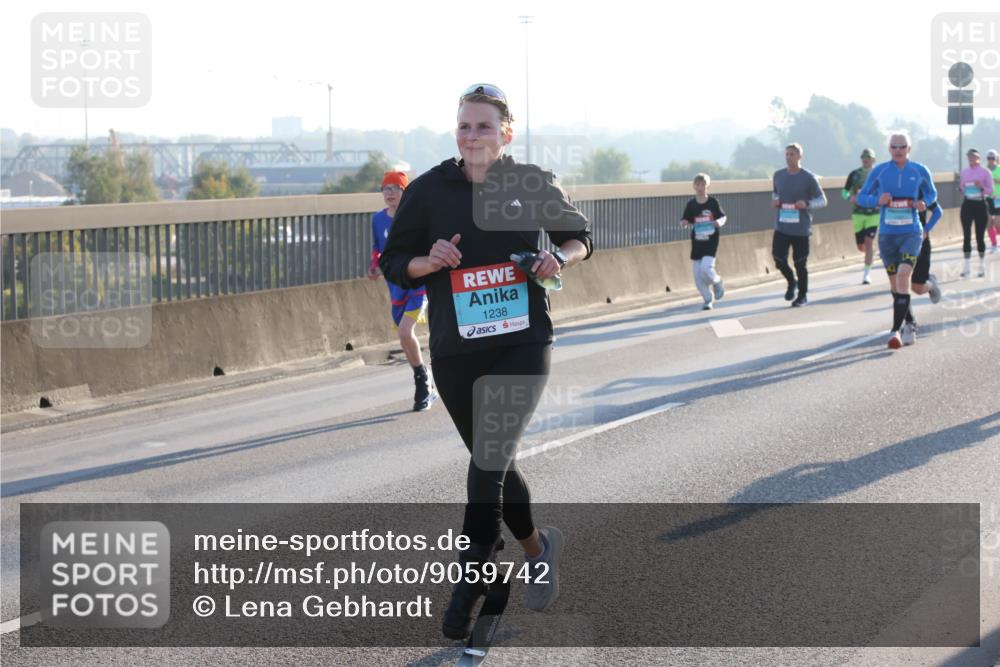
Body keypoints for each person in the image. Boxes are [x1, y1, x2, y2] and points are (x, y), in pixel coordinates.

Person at [378, 83, 593, 640]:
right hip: (456, 349)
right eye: (464, 126)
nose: (472, 136)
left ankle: (472, 578)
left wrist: (555, 258)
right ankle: (537, 548)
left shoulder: (531, 181)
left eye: (484, 127)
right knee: (492, 463)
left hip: (523, 341)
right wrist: (430, 261)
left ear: (507, 134)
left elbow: (580, 239)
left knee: (490, 455)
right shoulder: (427, 190)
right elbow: (396, 261)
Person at [856, 132, 937, 349]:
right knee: (896, 286)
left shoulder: (919, 170)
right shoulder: (880, 171)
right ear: (889, 149)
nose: (898, 150)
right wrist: (877, 200)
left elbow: (932, 194)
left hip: (911, 233)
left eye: (902, 146)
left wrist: (923, 202)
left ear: (909, 149)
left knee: (903, 277)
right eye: (894, 146)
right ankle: (910, 322)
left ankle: (895, 331)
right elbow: (862, 197)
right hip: (888, 236)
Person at [368, 171, 437, 411]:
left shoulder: (415, 218)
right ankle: (422, 374)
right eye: (385, 188)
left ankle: (422, 382)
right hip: (394, 286)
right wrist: (374, 265)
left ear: (405, 192)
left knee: (406, 332)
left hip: (418, 285)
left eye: (395, 188)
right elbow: (378, 249)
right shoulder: (377, 219)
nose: (389, 193)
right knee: (404, 337)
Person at [771, 143, 828, 307]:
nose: (789, 157)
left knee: (800, 263)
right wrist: (775, 201)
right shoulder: (778, 175)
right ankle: (791, 281)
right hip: (782, 226)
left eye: (792, 155)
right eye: (787, 154)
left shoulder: (808, 178)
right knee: (778, 258)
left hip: (801, 228)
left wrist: (807, 204)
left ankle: (802, 296)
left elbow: (823, 200)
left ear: (800, 156)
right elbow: (775, 193)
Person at [680, 173, 726, 310]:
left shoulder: (713, 202)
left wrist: (718, 222)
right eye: (698, 184)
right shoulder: (691, 204)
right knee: (698, 277)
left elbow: (723, 217)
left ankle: (717, 282)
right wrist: (683, 222)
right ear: (694, 186)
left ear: (708, 186)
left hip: (710, 242)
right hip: (697, 242)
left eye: (703, 184)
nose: (700, 187)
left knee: (706, 267)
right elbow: (685, 219)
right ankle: (707, 300)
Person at [843, 148, 880, 284]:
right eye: (863, 157)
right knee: (861, 246)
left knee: (869, 243)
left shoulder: (879, 174)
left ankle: (866, 274)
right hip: (858, 213)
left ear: (873, 160)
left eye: (868, 157)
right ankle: (869, 254)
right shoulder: (854, 174)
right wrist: (849, 198)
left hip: (873, 214)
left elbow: (885, 191)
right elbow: (844, 192)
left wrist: (879, 202)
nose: (866, 159)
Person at [958, 148, 994, 278]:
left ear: (978, 158)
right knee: (966, 235)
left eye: (973, 157)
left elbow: (990, 190)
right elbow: (961, 188)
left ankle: (981, 265)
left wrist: (981, 187)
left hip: (980, 204)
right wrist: (961, 189)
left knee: (979, 236)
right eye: (969, 157)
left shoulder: (985, 172)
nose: (971, 159)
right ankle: (966, 267)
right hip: (967, 204)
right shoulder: (964, 172)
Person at [987, 149, 1000, 254]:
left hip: (998, 198)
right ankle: (994, 244)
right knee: (989, 222)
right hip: (988, 198)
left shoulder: (999, 169)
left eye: (992, 158)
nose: (990, 160)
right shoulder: (985, 171)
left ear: (996, 159)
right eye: (989, 158)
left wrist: (997, 181)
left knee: (997, 223)